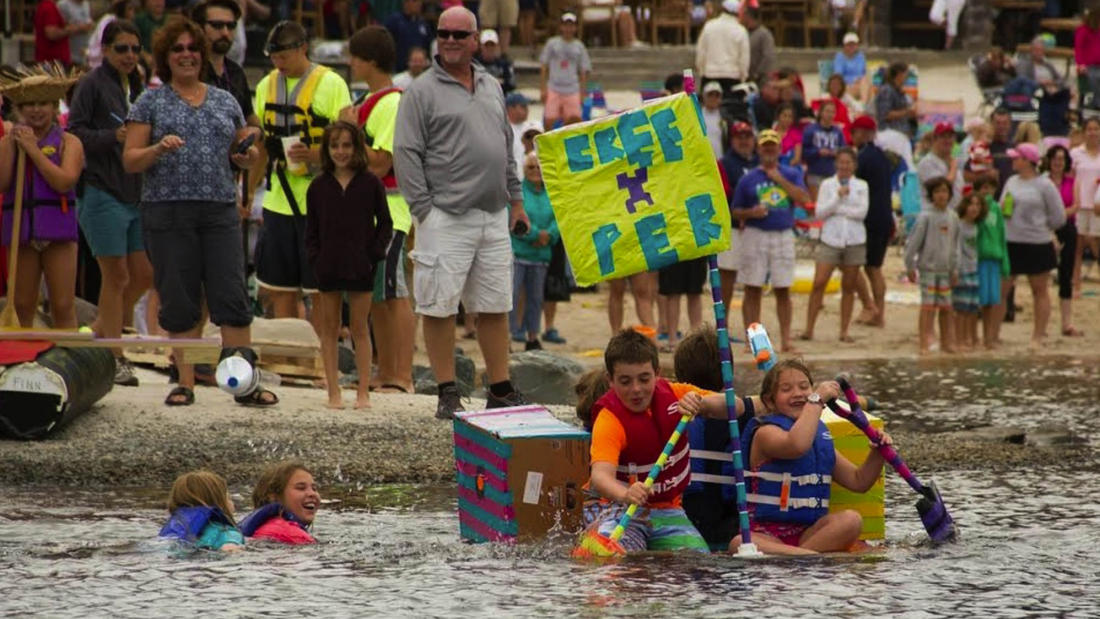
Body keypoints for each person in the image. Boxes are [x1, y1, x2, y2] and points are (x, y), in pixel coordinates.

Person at [123, 18, 272, 407]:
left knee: (232, 296)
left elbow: (244, 153)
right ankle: (184, 382)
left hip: (219, 210)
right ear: (165, 58)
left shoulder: (226, 100)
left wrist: (247, 156)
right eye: (178, 49)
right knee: (179, 297)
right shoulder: (150, 102)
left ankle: (243, 384)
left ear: (202, 55)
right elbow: (130, 160)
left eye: (192, 48)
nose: (186, 55)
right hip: (167, 212)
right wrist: (157, 150)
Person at [394, 6, 530, 419]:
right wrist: (424, 211)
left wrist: (517, 201)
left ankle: (501, 388)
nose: (450, 40)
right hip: (445, 215)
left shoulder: (491, 84)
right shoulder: (420, 91)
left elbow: (505, 148)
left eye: (459, 34)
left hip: (492, 213)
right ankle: (447, 391)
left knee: (494, 304)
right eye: (443, 33)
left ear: (475, 40)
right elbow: (405, 152)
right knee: (438, 305)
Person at [585, 328, 739, 554]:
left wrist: (702, 404)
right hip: (619, 509)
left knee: (697, 564)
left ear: (657, 374)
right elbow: (600, 476)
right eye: (625, 381)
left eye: (644, 379)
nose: (636, 389)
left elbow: (735, 405)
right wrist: (625, 494)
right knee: (608, 560)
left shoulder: (676, 394)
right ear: (610, 380)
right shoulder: (609, 420)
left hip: (669, 512)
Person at [68, 20, 152, 387]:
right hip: (102, 190)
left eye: (135, 49)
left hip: (134, 191)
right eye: (122, 49)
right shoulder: (91, 84)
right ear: (105, 50)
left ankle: (102, 329)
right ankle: (114, 356)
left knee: (145, 274)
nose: (130, 55)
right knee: (116, 276)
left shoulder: (136, 84)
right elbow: (74, 133)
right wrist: (112, 136)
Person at [254, 21, 352, 326]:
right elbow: (261, 143)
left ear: (302, 49)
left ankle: (324, 358)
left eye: (283, 56)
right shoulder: (264, 85)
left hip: (320, 202)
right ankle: (288, 356)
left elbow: (351, 144)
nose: (278, 64)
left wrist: (315, 155)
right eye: (273, 57)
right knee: (279, 288)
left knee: (321, 289)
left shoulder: (332, 84)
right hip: (277, 200)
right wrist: (247, 192)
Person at [736, 359, 887, 555]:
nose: (798, 393)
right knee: (739, 542)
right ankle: (807, 556)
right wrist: (815, 400)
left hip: (809, 534)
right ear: (770, 401)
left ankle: (799, 556)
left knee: (852, 520)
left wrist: (878, 452)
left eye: (804, 387)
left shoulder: (819, 438)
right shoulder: (766, 433)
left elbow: (859, 481)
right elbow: (796, 445)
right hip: (765, 534)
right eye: (786, 389)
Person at [343, 25, 415, 395]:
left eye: (354, 57)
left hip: (391, 209)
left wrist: (351, 131)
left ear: (369, 60)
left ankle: (401, 375)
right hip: (370, 210)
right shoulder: (371, 102)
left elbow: (382, 162)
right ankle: (386, 371)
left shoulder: (391, 103)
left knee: (394, 293)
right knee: (380, 296)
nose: (350, 63)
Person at [306, 122, 392, 409]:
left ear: (356, 147)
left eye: (346, 145)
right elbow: (311, 230)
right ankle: (333, 392)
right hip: (328, 266)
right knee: (329, 328)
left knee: (359, 328)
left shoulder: (370, 183)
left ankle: (363, 392)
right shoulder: (318, 186)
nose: (340, 152)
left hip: (361, 265)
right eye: (334, 146)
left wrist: (374, 254)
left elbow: (386, 224)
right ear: (326, 150)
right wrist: (316, 259)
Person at [0, 66, 84, 330]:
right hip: (21, 234)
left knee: (62, 305)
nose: (36, 110)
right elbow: (3, 183)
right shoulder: (8, 142)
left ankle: (69, 366)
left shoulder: (70, 142)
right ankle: (22, 365)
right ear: (20, 109)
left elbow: (64, 181)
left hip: (57, 232)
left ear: (54, 107)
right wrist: (13, 145)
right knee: (22, 304)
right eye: (29, 105)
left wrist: (33, 151)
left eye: (43, 104)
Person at [731, 129, 811, 353]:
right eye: (764, 146)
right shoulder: (748, 178)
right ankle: (753, 340)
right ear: (759, 149)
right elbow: (735, 211)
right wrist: (750, 213)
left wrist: (778, 179)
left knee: (783, 287)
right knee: (752, 287)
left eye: (772, 146)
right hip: (756, 233)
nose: (768, 150)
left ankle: (786, 339)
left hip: (783, 233)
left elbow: (804, 199)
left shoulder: (791, 173)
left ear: (778, 149)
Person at [1001, 143, 1066, 350]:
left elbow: (1059, 217)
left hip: (1037, 243)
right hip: (1011, 240)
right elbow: (1003, 207)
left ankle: (1037, 337)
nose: (1013, 161)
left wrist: (1040, 226)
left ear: (1028, 161)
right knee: (1002, 289)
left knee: (1039, 290)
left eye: (1017, 158)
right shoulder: (1011, 181)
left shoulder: (1044, 185)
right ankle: (993, 335)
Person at [800, 147, 867, 343]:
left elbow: (862, 212)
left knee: (849, 286)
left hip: (854, 240)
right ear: (836, 163)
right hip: (831, 238)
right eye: (842, 162)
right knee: (819, 282)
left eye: (848, 162)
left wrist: (838, 209)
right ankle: (809, 329)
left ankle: (844, 331)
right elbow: (820, 212)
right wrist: (838, 198)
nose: (845, 166)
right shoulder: (828, 185)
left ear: (854, 165)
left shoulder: (862, 185)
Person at [905, 177, 959, 355]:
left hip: (945, 270)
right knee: (928, 308)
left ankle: (946, 342)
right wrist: (910, 265)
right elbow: (913, 242)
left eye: (944, 191)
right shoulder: (926, 216)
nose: (941, 195)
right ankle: (924, 343)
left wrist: (955, 268)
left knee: (945, 308)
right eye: (937, 192)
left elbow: (955, 245)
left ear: (950, 194)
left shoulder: (953, 217)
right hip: (928, 268)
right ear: (931, 195)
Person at [509, 152, 557, 351]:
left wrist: (550, 235)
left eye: (539, 167)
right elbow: (514, 218)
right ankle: (508, 337)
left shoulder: (552, 193)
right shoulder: (518, 193)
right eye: (531, 167)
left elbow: (559, 218)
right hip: (520, 253)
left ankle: (532, 336)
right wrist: (537, 234)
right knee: (511, 297)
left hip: (541, 256)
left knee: (536, 298)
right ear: (524, 170)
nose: (536, 171)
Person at [850, 115, 892, 327]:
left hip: (871, 219)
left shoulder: (863, 157)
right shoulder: (881, 156)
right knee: (874, 267)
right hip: (885, 216)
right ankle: (879, 313)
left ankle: (871, 308)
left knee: (857, 265)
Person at [193, 0, 259, 128]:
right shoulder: (188, 69)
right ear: (199, 28)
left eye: (231, 26)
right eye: (217, 25)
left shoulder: (236, 72)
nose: (225, 33)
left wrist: (258, 132)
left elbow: (249, 117)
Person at [717, 121, 757, 310]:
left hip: (755, 227)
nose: (744, 141)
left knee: (752, 279)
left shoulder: (758, 162)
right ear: (732, 140)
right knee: (727, 277)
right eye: (739, 137)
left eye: (747, 137)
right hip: (732, 226)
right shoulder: (724, 163)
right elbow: (722, 194)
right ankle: (723, 328)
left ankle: (751, 327)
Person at [1044, 144, 1082, 337]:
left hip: (1067, 228)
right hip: (1047, 229)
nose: (1058, 162)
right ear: (1049, 161)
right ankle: (1043, 323)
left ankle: (1066, 322)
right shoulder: (1044, 182)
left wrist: (1059, 215)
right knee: (1043, 277)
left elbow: (1076, 205)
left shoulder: (1071, 181)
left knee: (1066, 275)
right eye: (1055, 158)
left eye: (1061, 159)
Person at [158, 470, 244, 551]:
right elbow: (229, 549)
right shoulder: (228, 533)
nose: (232, 502)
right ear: (220, 503)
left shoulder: (174, 530)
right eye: (228, 497)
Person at [238, 461, 319, 545]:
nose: (312, 493)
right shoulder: (292, 535)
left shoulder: (259, 528)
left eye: (314, 488)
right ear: (274, 497)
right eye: (301, 488)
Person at [973, 174, 1009, 348]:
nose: (987, 192)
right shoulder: (975, 210)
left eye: (991, 188)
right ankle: (972, 337)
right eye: (984, 188)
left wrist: (1005, 261)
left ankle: (989, 337)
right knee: (975, 301)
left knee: (991, 301)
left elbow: (1002, 235)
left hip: (994, 259)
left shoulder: (996, 209)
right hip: (978, 260)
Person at [539, 12, 590, 128]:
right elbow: (544, 65)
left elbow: (584, 70)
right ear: (561, 27)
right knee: (549, 120)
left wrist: (582, 92)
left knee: (575, 122)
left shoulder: (579, 46)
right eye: (566, 25)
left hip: (572, 89)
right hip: (554, 87)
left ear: (575, 27)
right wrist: (542, 88)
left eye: (571, 25)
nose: (568, 28)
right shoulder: (552, 43)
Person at [694, 0, 749, 98]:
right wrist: (743, 77)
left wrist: (702, 71)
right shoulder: (740, 30)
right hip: (732, 77)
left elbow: (701, 52)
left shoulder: (709, 26)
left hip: (710, 75)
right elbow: (744, 58)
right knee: (730, 109)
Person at [1070, 117, 1100, 297]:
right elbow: (1071, 178)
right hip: (1080, 204)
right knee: (1078, 246)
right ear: (1084, 132)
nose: (1093, 132)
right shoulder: (1075, 153)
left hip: (1098, 205)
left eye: (1096, 129)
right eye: (1089, 129)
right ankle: (1076, 284)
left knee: (1096, 243)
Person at [952, 193, 984, 350]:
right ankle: (959, 340)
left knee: (972, 307)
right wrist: (956, 270)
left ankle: (971, 338)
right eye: (971, 204)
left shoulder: (976, 226)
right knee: (961, 307)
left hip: (974, 269)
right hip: (962, 270)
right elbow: (955, 248)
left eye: (978, 205)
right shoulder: (959, 225)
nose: (975, 208)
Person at [873, 62, 916, 169]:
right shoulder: (886, 90)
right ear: (899, 74)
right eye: (906, 74)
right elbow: (885, 114)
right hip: (890, 133)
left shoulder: (900, 93)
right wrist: (907, 111)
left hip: (902, 133)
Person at [802, 99, 846, 199]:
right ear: (821, 112)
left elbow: (844, 150)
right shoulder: (810, 130)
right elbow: (804, 151)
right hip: (815, 172)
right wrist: (817, 152)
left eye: (833, 112)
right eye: (827, 111)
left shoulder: (838, 132)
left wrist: (837, 153)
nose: (830, 115)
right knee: (817, 203)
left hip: (833, 173)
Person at [918, 122, 964, 213]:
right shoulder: (927, 162)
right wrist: (954, 167)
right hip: (934, 215)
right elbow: (942, 188)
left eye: (950, 137)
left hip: (954, 215)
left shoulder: (952, 160)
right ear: (935, 139)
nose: (948, 141)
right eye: (943, 137)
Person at [383, 0, 433, 74]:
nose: (419, 4)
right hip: (398, 71)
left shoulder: (423, 24)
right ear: (405, 2)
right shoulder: (394, 21)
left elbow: (428, 47)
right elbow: (385, 45)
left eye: (420, 1)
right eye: (415, 1)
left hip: (420, 72)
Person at [87, 1, 136, 70]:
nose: (132, 13)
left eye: (134, 9)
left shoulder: (127, 24)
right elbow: (104, 42)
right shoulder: (108, 20)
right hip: (97, 62)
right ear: (122, 9)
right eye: (129, 9)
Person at [34, 0, 78, 65]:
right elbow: (51, 34)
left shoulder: (46, 6)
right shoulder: (49, 7)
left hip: (51, 60)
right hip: (52, 62)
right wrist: (69, 30)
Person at [742, 5, 776, 86]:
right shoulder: (743, 32)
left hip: (759, 80)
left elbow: (768, 56)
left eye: (744, 15)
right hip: (744, 77)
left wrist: (757, 73)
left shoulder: (764, 34)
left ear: (748, 17)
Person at [832, 32, 869, 105]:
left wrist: (858, 80)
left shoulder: (860, 57)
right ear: (844, 45)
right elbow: (838, 76)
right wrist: (852, 80)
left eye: (854, 45)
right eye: (849, 45)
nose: (851, 47)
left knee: (866, 83)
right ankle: (861, 105)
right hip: (846, 85)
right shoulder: (839, 57)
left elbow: (862, 72)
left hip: (859, 84)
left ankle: (863, 105)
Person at [1075, 10, 1100, 111]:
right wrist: (1081, 64)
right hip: (1088, 66)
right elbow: (1078, 49)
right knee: (1094, 77)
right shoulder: (1082, 31)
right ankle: (1096, 103)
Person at [477, 29, 515, 95]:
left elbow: (511, 85)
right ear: (481, 46)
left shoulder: (505, 65)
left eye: (492, 45)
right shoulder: (474, 64)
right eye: (486, 45)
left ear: (497, 46)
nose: (489, 48)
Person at [57, 0, 95, 66]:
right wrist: (80, 28)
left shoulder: (86, 4)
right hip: (70, 55)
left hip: (85, 53)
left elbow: (89, 21)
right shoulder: (63, 5)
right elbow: (58, 29)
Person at [701, 81, 725, 157]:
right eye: (710, 95)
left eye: (717, 95)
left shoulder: (725, 118)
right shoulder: (697, 116)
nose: (713, 98)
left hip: (720, 160)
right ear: (704, 97)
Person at [774, 102, 802, 167]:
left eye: (790, 117)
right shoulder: (771, 134)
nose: (787, 119)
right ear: (778, 116)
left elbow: (797, 158)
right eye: (784, 115)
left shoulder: (796, 134)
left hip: (790, 168)